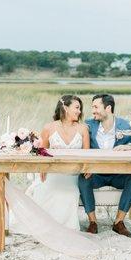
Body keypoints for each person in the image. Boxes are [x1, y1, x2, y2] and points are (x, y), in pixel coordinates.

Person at [78, 94, 131, 238]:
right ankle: (93, 223)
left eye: (96, 107)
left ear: (108, 108)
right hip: (96, 174)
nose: (93, 111)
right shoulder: (89, 125)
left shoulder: (125, 125)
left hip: (118, 174)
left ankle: (118, 222)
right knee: (82, 179)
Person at [29, 94, 89, 230]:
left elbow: (87, 155)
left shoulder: (83, 129)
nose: (80, 111)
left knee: (70, 194)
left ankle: (66, 229)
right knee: (44, 189)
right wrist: (43, 169)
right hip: (52, 173)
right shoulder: (49, 128)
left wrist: (87, 170)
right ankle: (45, 227)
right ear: (65, 108)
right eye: (77, 107)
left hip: (72, 174)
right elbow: (42, 153)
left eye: (80, 108)